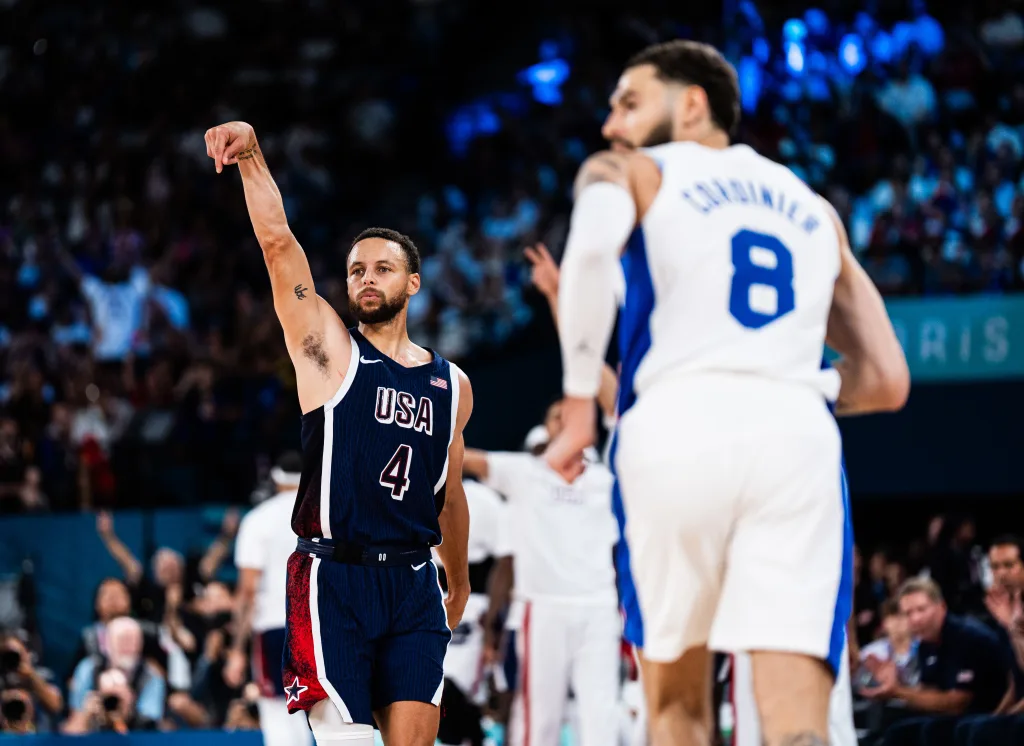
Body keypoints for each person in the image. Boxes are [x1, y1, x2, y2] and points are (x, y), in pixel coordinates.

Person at [546, 40, 909, 746]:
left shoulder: (629, 170)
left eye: (629, 102)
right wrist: (793, 392)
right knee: (800, 722)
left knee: (677, 706)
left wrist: (580, 401)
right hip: (796, 437)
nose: (610, 124)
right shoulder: (814, 209)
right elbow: (888, 379)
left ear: (690, 104)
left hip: (675, 424)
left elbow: (587, 256)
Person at [205, 120, 473, 746]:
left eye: (382, 269)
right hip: (334, 579)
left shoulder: (451, 383)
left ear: (413, 283)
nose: (365, 279)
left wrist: (456, 582)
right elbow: (278, 245)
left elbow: (449, 494)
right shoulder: (328, 352)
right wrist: (251, 155)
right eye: (355, 270)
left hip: (412, 582)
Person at [463, 409, 620, 746]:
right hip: (544, 607)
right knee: (539, 721)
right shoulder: (524, 472)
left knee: (601, 718)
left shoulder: (605, 480)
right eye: (555, 416)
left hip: (599, 608)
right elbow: (464, 457)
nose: (563, 421)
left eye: (571, 414)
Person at [223, 451, 311, 746]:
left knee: (277, 710)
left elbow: (247, 590)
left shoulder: (258, 520)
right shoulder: (326, 515)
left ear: (274, 478)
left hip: (275, 626)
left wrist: (236, 648)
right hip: (322, 626)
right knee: (329, 709)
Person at [864, 578, 1014, 746]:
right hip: (961, 717)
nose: (915, 619)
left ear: (941, 607)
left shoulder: (967, 636)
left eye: (921, 610)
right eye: (908, 613)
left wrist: (898, 691)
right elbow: (928, 691)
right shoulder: (925, 643)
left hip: (988, 712)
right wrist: (896, 686)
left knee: (931, 731)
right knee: (893, 727)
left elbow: (957, 703)